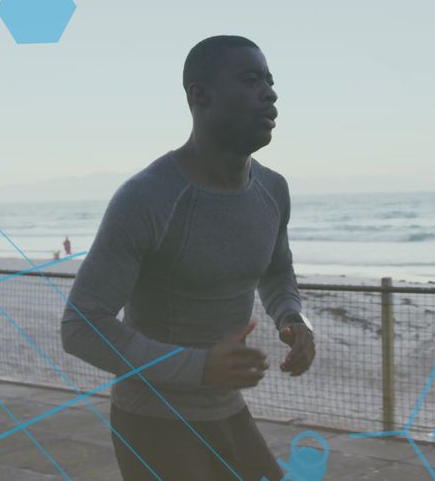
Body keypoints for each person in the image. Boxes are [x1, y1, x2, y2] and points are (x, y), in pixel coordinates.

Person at [61, 35, 315, 480]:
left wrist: (292, 315)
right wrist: (200, 366)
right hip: (153, 421)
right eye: (251, 79)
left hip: (228, 409)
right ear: (200, 95)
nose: (270, 92)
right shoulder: (148, 197)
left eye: (271, 81)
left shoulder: (273, 191)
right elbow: (81, 325)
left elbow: (276, 269)